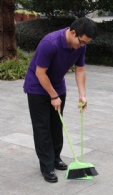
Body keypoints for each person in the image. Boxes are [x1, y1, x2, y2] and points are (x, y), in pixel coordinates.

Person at [23, 17, 97, 182]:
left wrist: (82, 95)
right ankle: (47, 166)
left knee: (57, 125)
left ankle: (55, 158)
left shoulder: (80, 46)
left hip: (57, 85)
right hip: (37, 87)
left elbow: (80, 70)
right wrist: (53, 95)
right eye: (81, 41)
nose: (82, 45)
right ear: (72, 33)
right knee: (42, 128)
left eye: (86, 43)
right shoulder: (50, 43)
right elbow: (40, 73)